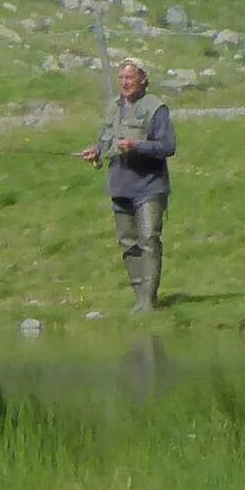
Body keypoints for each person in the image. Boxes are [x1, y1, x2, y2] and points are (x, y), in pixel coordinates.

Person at [77, 59, 176, 312]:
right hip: (120, 187)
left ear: (143, 79)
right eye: (121, 78)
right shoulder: (113, 107)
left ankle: (148, 302)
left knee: (149, 240)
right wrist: (96, 151)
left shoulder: (156, 108)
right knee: (128, 244)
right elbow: (105, 139)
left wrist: (137, 146)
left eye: (129, 78)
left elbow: (167, 147)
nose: (124, 82)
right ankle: (139, 298)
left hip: (150, 187)